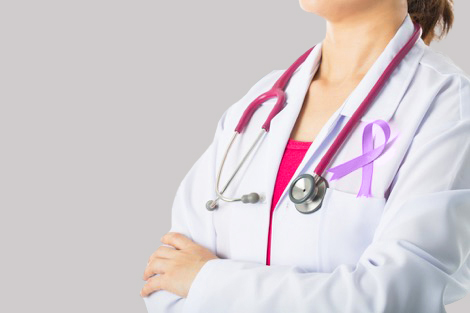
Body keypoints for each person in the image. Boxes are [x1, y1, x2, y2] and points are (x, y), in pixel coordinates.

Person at [142, 0, 470, 312]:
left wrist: (206, 282)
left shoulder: (446, 105)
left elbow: (395, 298)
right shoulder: (259, 105)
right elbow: (164, 280)